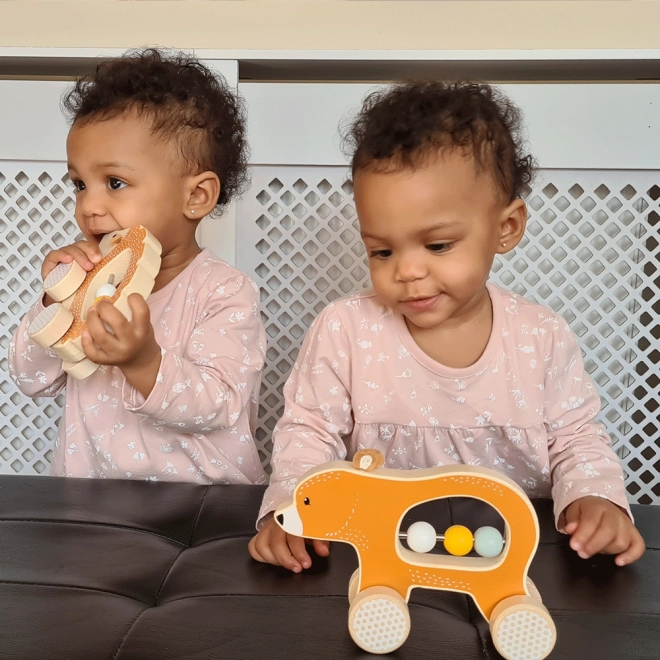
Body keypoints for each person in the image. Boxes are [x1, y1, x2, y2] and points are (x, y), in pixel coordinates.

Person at [249, 81, 645, 571]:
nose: (407, 271)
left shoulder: (540, 336)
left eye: (437, 246)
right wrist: (291, 509)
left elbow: (576, 437)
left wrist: (594, 498)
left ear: (506, 228)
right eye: (382, 251)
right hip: (378, 546)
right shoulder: (345, 329)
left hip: (509, 552)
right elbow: (309, 432)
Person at [8, 48, 267, 485]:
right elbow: (31, 378)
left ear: (196, 196)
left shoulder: (223, 291)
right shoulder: (87, 285)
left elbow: (220, 404)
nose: (89, 206)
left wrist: (143, 361)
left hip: (201, 505)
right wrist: (55, 302)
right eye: (79, 184)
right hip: (91, 502)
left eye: (115, 183)